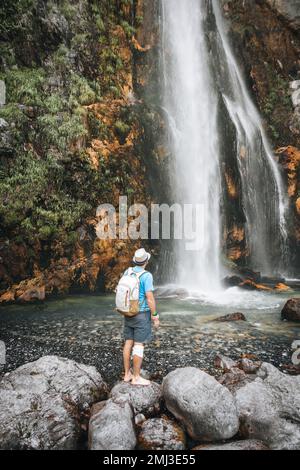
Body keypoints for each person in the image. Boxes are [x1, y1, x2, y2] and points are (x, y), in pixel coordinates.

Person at [123, 248, 159, 386]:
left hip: (128, 312)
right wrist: (155, 315)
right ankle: (136, 377)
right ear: (147, 261)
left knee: (128, 342)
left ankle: (127, 374)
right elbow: (150, 298)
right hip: (141, 314)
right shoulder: (147, 276)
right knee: (139, 345)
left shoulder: (128, 271)